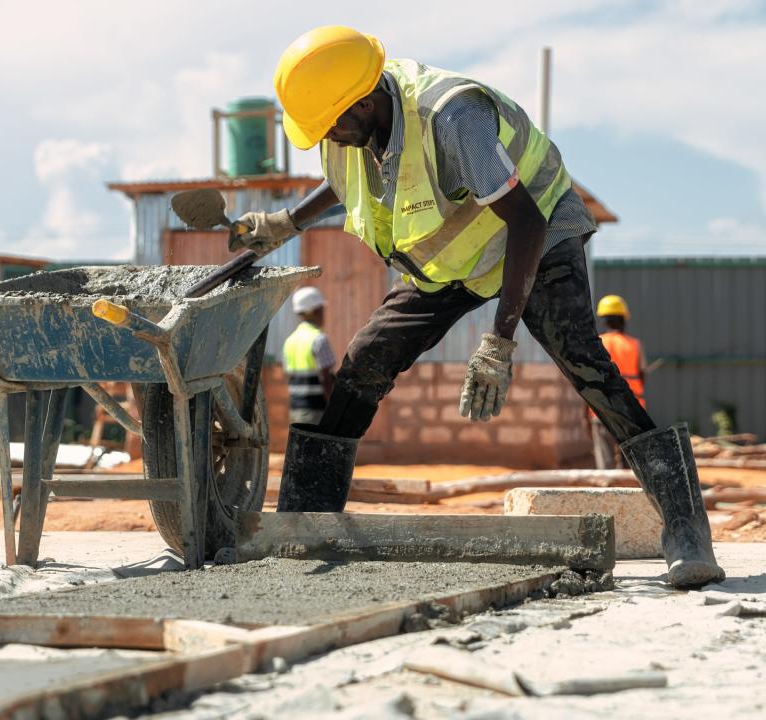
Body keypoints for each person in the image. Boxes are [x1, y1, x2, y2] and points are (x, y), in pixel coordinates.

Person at [228, 26, 723, 587]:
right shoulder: (345, 128)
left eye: (333, 125)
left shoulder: (452, 119)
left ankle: (686, 530)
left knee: (588, 366)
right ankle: (305, 522)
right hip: (453, 261)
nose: (329, 139)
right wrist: (285, 222)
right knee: (367, 358)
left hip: (536, 236)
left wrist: (500, 340)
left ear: (363, 102)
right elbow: (345, 182)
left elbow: (526, 220)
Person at [590, 295, 647, 469]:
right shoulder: (635, 345)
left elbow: (588, 378)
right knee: (631, 463)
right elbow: (642, 376)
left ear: (604, 319)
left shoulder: (597, 344)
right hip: (632, 410)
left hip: (601, 409)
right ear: (623, 319)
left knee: (605, 463)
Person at [283, 287, 336, 426]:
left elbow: (289, 377)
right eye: (322, 309)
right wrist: (335, 409)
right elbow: (325, 379)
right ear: (315, 310)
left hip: (296, 410)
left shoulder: (290, 341)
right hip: (316, 411)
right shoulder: (319, 339)